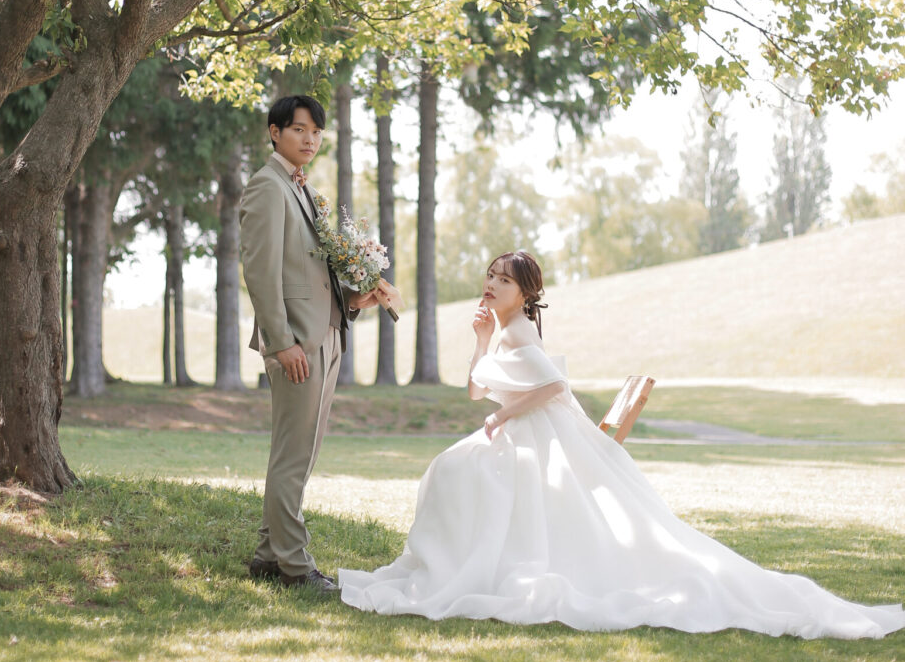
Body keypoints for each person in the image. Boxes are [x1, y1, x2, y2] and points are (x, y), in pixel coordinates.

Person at [339, 251, 905, 637]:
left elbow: (554, 387)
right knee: (453, 468)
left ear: (525, 293)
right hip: (518, 430)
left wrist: (504, 415)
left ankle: (474, 567)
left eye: (504, 280)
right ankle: (462, 563)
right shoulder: (503, 329)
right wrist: (482, 339)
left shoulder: (523, 329)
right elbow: (473, 390)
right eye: (490, 275)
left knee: (458, 470)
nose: (491, 284)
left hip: (536, 433)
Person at [240, 94, 395, 594]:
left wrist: (353, 299)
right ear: (275, 132)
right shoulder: (267, 186)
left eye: (316, 132)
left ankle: (269, 555)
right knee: (292, 455)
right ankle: (294, 566)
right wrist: (282, 342)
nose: (310, 139)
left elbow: (307, 274)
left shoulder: (300, 187)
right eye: (299, 130)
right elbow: (260, 272)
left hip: (327, 334)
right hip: (298, 345)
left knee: (302, 453)